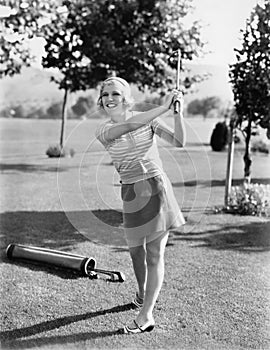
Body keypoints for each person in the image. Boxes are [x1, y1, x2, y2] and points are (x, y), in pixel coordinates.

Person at [95, 77, 186, 334]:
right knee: (136, 251)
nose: (110, 98)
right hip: (131, 192)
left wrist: (177, 113)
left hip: (156, 187)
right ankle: (142, 293)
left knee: (154, 254)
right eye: (105, 95)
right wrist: (164, 107)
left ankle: (146, 315)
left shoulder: (150, 120)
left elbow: (179, 142)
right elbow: (128, 126)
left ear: (126, 98)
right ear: (101, 101)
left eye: (115, 93)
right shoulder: (103, 131)